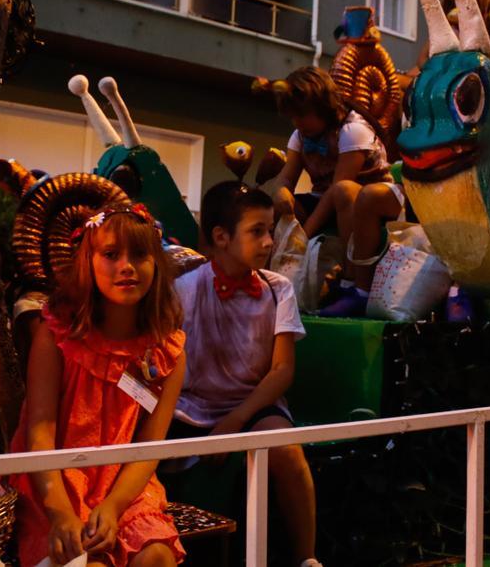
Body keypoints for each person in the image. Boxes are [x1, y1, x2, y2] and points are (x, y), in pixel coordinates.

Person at [11, 203, 186, 567]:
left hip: (125, 483)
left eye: (140, 255)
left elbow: (150, 444)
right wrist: (60, 512)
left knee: (156, 556)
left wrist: (114, 505)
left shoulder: (167, 348)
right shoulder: (56, 334)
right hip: (56, 480)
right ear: (88, 261)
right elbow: (39, 432)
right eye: (110, 254)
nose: (127, 266)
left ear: (156, 262)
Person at [168, 182, 321, 567]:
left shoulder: (277, 289)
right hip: (189, 409)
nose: (269, 241)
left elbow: (282, 371)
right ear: (221, 236)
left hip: (253, 407)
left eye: (270, 230)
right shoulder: (183, 290)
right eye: (257, 231)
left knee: (286, 449)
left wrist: (234, 422)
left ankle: (307, 558)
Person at [266, 66, 403, 316]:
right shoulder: (301, 135)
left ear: (322, 107)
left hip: (368, 198)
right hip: (327, 199)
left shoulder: (352, 130)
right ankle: (271, 280)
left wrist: (302, 238)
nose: (297, 123)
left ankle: (352, 285)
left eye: (302, 115)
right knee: (271, 208)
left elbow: (338, 188)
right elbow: (286, 177)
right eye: (292, 117)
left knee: (343, 191)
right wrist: (281, 193)